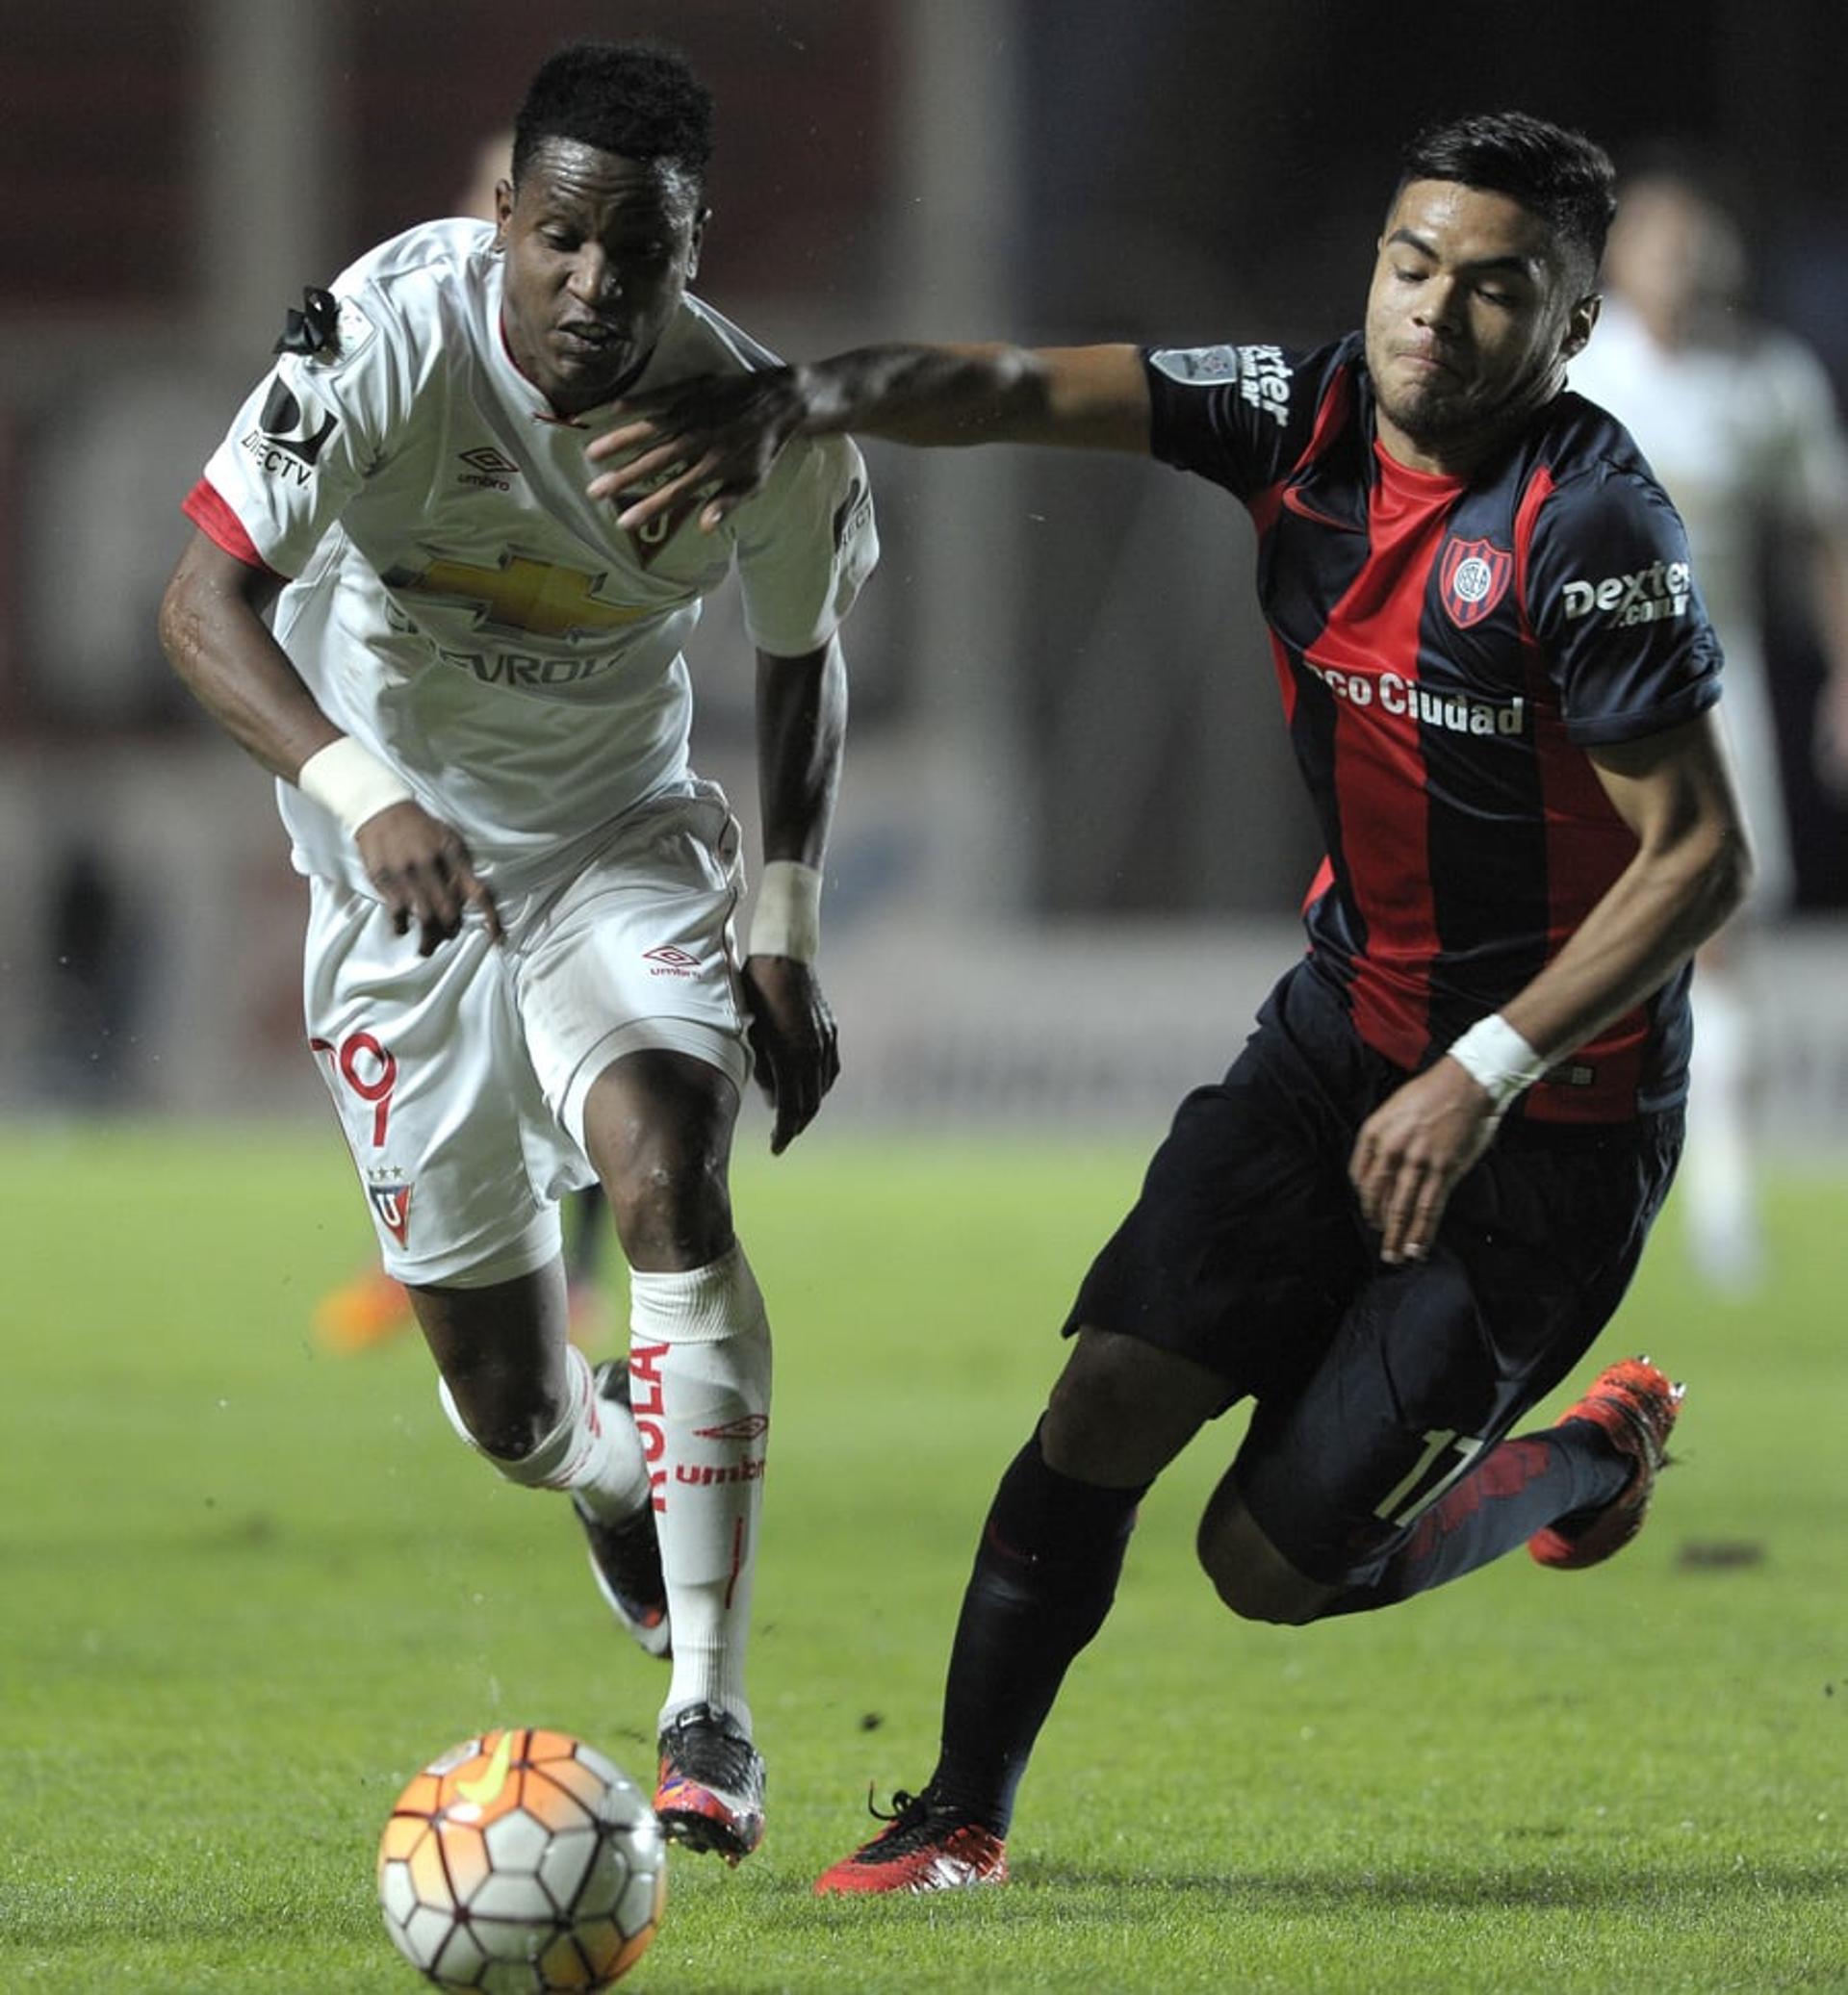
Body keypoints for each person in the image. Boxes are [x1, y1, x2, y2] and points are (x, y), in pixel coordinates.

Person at [588, 109, 1751, 1893]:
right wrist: (793, 396)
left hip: (1553, 1130)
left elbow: (1701, 860)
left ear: (1573, 329)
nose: (1434, 313)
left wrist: (1490, 1072)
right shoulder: (1298, 413)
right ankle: (958, 1813)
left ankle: (1584, 1468)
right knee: (1107, 1394)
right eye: (1410, 263)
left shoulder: (1590, 525)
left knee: (1272, 1561)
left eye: (1495, 289)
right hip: (1337, 1040)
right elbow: (1005, 387)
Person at [158, 40, 878, 1865]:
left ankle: (708, 1704)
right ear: (504, 219)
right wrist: (356, 783)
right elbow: (200, 599)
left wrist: (782, 921)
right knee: (501, 1402)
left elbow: (801, 657)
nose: (592, 288)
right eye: (559, 242)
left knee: (669, 1175)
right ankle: (611, 1463)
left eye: (636, 254)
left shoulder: (754, 426)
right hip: (394, 887)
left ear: (688, 246)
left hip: (613, 844)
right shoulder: (384, 344)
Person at [309, 127, 611, 1359]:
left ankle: (575, 1276)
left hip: (550, 752)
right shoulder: (404, 331)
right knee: (431, 1010)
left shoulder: (606, 374)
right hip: (414, 741)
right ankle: (434, 1244)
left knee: (580, 1018)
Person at [1566, 161, 1848, 1290]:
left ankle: (1724, 1199)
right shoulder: (1578, 368)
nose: (1680, 269)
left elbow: (1824, 529)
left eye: (1697, 249)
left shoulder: (1765, 381)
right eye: (1660, 247)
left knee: (1718, 948)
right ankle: (1565, 1195)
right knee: (1568, 946)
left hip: (1709, 700)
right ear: (1622, 260)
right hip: (1580, 698)